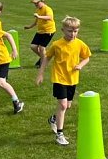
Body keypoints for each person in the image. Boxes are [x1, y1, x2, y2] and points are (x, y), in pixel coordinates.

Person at [37, 16, 92, 146]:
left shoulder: (79, 44)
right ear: (63, 30)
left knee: (67, 106)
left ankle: (53, 119)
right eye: (69, 31)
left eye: (75, 31)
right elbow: (47, 57)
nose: (72, 34)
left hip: (72, 79)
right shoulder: (57, 44)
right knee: (62, 105)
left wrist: (80, 65)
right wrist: (40, 73)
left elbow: (87, 57)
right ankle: (59, 134)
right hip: (59, 78)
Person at [24, 0, 55, 68]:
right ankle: (44, 58)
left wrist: (39, 16)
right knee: (33, 46)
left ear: (42, 1)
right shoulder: (38, 10)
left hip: (48, 31)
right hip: (40, 31)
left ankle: (43, 62)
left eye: (37, 3)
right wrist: (30, 26)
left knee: (42, 48)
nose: (35, 4)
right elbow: (36, 21)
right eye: (34, 3)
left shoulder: (47, 9)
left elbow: (50, 17)